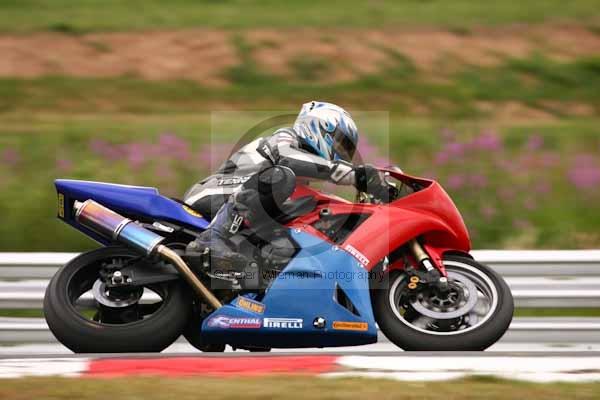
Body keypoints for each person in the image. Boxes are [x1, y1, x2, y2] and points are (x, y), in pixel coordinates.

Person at [183, 101, 387, 262]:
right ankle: (211, 239)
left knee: (292, 234)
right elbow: (288, 160)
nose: (343, 154)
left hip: (240, 205)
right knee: (280, 177)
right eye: (341, 145)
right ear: (319, 127)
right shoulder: (285, 138)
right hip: (211, 193)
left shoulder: (301, 176)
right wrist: (353, 175)